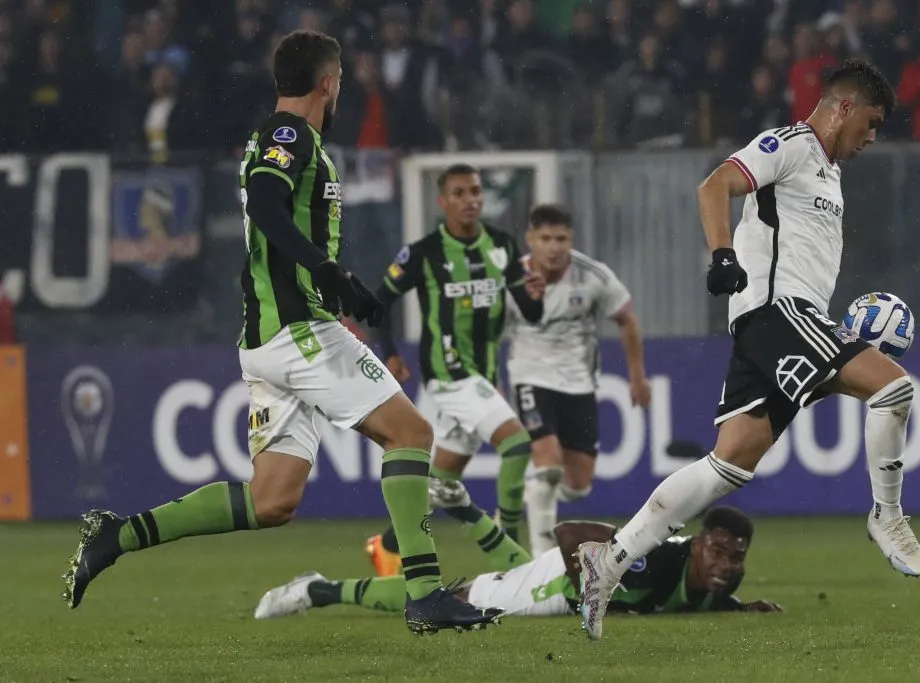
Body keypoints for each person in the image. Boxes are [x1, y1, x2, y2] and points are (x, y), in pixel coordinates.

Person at [62, 30, 502, 636]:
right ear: (329, 82)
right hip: (297, 332)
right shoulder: (289, 135)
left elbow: (278, 218)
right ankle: (424, 592)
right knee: (412, 432)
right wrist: (326, 271)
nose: (340, 87)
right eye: (340, 79)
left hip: (271, 340)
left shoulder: (280, 138)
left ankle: (120, 533)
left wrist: (335, 285)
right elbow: (269, 207)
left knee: (272, 501)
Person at [576, 58, 920, 641]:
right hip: (779, 314)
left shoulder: (828, 173)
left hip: (780, 321)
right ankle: (887, 516)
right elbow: (715, 183)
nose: (871, 137)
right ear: (843, 107)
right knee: (892, 387)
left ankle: (609, 560)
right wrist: (722, 255)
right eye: (870, 122)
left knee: (729, 464)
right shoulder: (790, 144)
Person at [364, 164, 545, 576]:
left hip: (483, 375)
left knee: (441, 481)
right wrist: (389, 353)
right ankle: (511, 552)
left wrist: (538, 294)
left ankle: (386, 545)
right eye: (460, 193)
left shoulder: (502, 246)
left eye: (476, 191)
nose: (470, 200)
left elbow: (530, 313)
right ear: (442, 201)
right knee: (516, 445)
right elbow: (379, 301)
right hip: (449, 375)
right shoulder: (425, 252)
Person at [254, 497, 781, 620]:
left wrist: (741, 607)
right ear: (696, 543)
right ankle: (316, 589)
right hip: (560, 585)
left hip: (555, 578)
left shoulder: (711, 589)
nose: (728, 563)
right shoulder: (657, 561)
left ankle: (463, 507)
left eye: (737, 556)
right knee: (453, 602)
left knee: (509, 574)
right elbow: (572, 531)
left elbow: (697, 603)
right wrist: (589, 593)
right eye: (718, 550)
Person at [506, 204, 651, 556]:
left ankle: (528, 492)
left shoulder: (593, 277)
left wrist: (637, 376)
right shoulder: (510, 279)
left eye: (561, 239)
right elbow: (489, 331)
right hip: (530, 376)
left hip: (578, 382)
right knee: (548, 461)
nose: (554, 247)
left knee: (577, 486)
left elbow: (627, 320)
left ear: (571, 239)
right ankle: (541, 563)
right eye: (545, 239)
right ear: (531, 240)